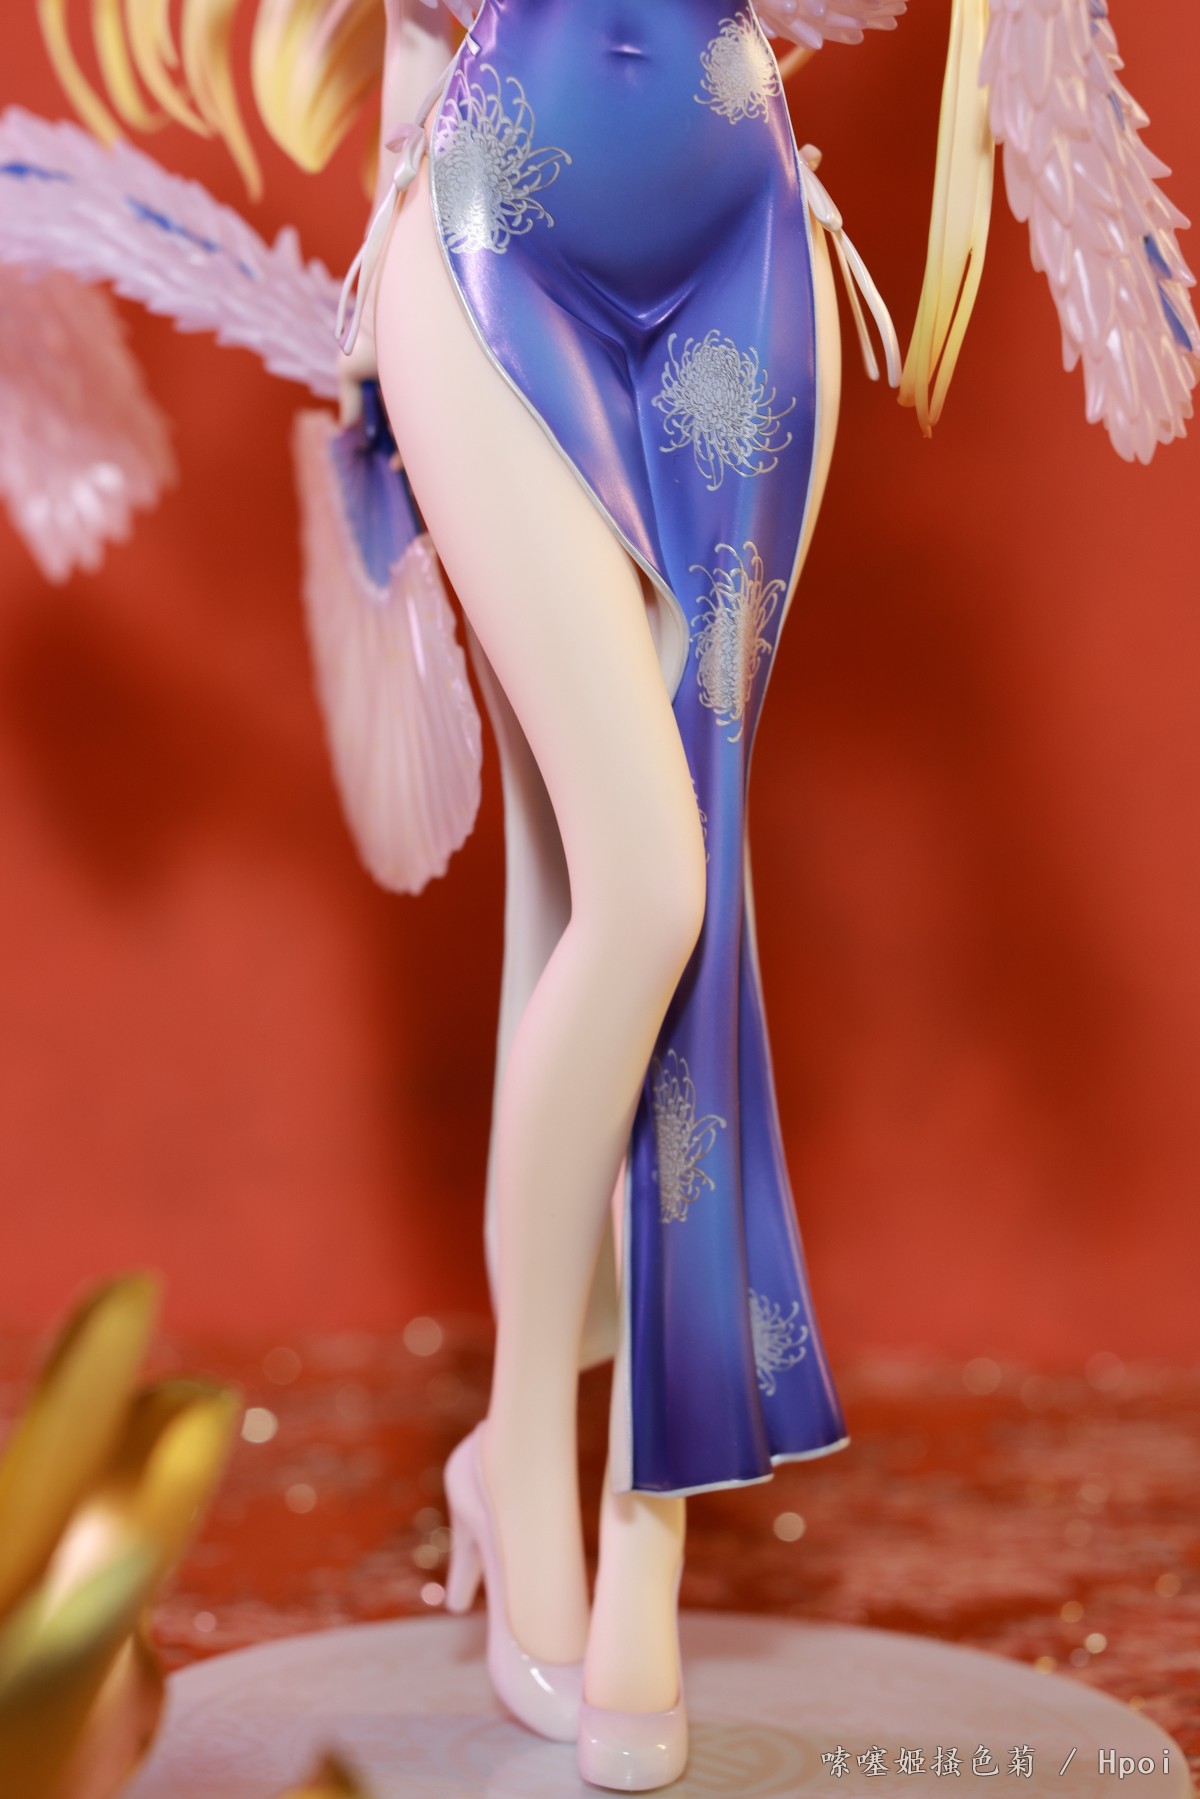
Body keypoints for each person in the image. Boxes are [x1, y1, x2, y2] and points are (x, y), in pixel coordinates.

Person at [24, 0, 1198, 1789]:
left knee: (662, 875)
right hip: (493, 234)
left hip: (746, 247)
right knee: (645, 880)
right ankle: (519, 1455)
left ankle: (644, 1534)